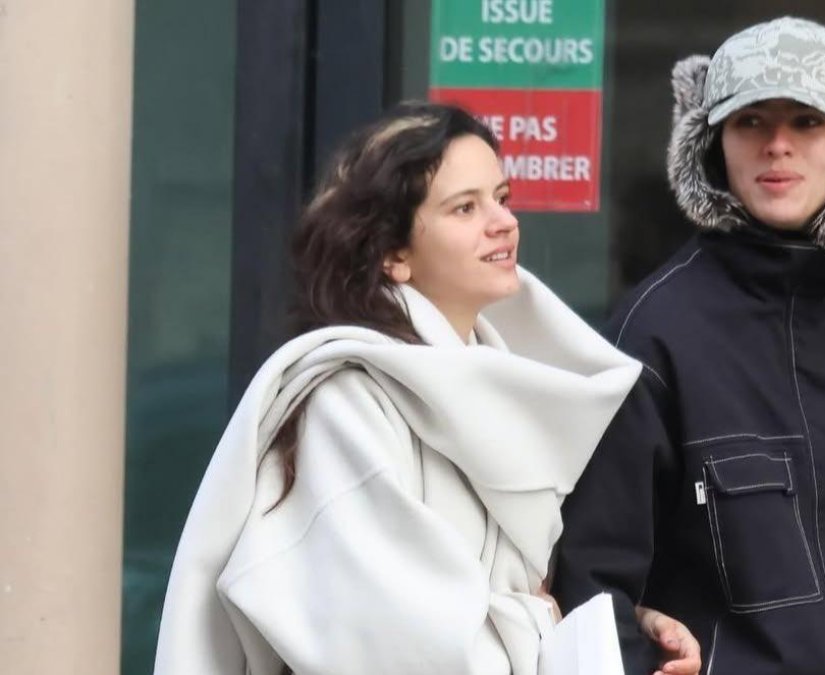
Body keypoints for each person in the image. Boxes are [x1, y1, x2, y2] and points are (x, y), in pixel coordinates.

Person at [154, 102, 700, 675]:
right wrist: (549, 628)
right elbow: (397, 644)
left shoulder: (509, 388)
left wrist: (621, 633)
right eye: (464, 207)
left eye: (502, 197)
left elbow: (510, 601)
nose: (503, 222)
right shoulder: (348, 404)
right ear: (393, 254)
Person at [552, 16, 825, 675]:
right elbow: (591, 581)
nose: (778, 146)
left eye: (807, 122)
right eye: (750, 122)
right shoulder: (653, 335)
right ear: (711, 143)